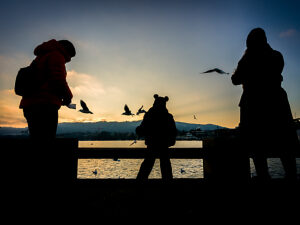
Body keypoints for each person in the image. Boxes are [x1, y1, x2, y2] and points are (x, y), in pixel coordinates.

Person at [231, 28, 298, 180]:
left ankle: (263, 177)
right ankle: (292, 177)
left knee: (257, 147)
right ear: (265, 40)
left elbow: (235, 79)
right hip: (277, 102)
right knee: (285, 144)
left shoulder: (247, 60)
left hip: (253, 104)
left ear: (249, 43)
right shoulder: (276, 56)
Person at [19, 39, 75, 141]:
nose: (68, 60)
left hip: (30, 104)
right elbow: (58, 79)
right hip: (45, 105)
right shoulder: (57, 56)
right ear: (66, 50)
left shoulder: (41, 57)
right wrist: (68, 97)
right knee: (47, 141)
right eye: (70, 57)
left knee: (37, 139)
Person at [136, 94, 177, 180]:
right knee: (166, 168)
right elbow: (173, 132)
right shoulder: (168, 117)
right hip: (164, 146)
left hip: (151, 145)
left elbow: (143, 129)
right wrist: (170, 141)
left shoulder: (149, 115)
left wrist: (139, 130)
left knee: (146, 167)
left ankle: (138, 188)